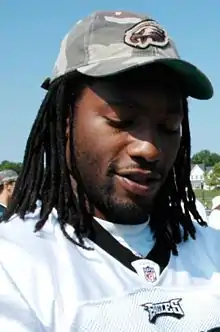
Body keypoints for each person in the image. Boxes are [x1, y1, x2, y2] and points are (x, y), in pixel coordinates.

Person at [0, 10, 219, 332]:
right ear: (65, 124)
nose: (149, 149)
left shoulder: (211, 250)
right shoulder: (13, 264)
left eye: (169, 126)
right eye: (122, 121)